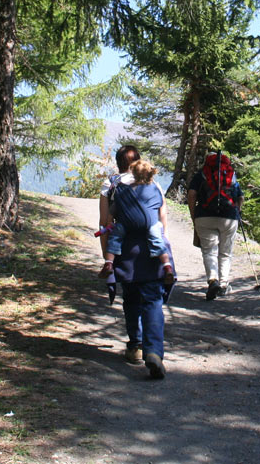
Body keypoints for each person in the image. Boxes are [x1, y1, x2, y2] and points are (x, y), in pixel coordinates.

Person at [97, 145, 174, 379]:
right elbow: (162, 220)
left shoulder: (111, 185)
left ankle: (136, 346)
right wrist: (165, 255)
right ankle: (154, 352)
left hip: (125, 249)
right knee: (153, 299)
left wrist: (108, 256)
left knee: (130, 298)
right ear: (139, 162)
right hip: (151, 250)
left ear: (118, 163)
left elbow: (105, 221)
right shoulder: (154, 184)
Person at [187, 151, 243, 301]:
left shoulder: (202, 174)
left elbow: (191, 194)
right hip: (229, 217)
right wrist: (237, 210)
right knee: (225, 252)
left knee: (209, 251)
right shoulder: (230, 174)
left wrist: (194, 216)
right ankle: (224, 285)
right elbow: (240, 197)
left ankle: (213, 281)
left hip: (204, 216)